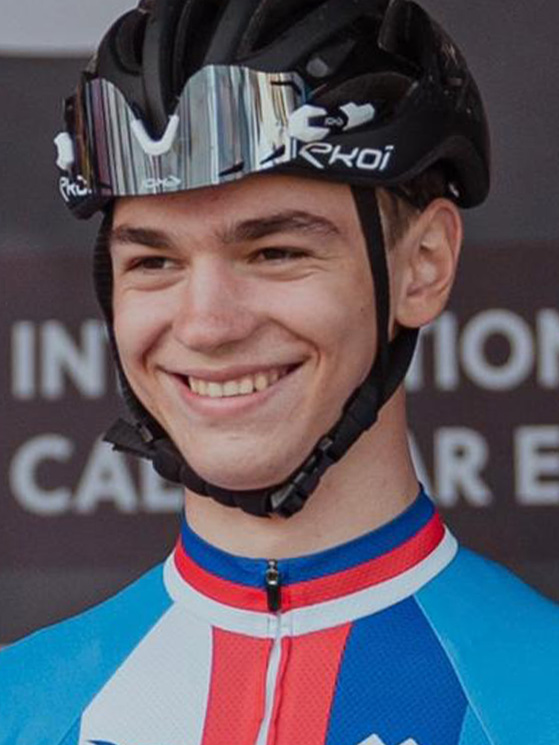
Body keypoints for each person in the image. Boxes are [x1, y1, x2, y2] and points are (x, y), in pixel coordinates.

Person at [1, 0, 558, 743]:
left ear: (423, 266)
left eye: (275, 252)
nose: (206, 324)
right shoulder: (19, 706)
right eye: (154, 261)